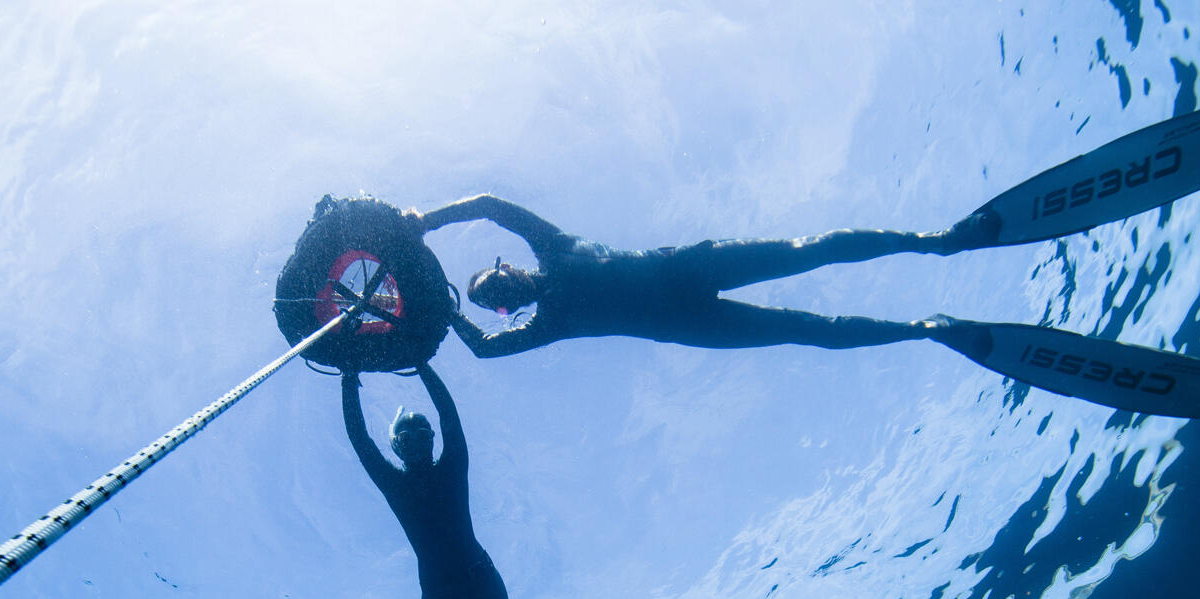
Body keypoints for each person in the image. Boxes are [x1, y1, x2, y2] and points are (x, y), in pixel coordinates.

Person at [413, 194, 995, 358]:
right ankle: (926, 329)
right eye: (493, 298)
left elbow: (490, 203)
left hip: (692, 264)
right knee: (807, 329)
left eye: (494, 279)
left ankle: (935, 242)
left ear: (507, 264)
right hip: (690, 323)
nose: (502, 287)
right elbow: (487, 352)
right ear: (503, 308)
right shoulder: (550, 321)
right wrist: (444, 311)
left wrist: (427, 223)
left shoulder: (554, 247)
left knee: (807, 249)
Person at [340, 363, 528, 599]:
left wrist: (422, 366)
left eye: (421, 434)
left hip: (479, 581)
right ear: (396, 446)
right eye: (406, 437)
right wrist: (348, 379)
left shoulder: (451, 465)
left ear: (431, 439)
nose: (414, 441)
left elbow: (449, 418)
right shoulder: (395, 483)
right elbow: (360, 439)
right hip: (442, 597)